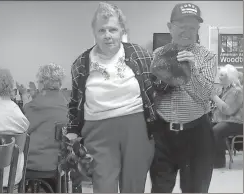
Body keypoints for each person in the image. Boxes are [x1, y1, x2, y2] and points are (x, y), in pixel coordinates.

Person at [66, 2, 172, 193]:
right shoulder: (81, 64)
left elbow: (160, 85)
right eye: (102, 30)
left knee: (133, 186)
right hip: (97, 132)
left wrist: (173, 67)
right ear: (94, 32)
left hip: (136, 129)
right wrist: (73, 131)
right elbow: (75, 102)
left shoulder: (139, 54)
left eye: (113, 29)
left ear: (122, 30)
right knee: (103, 186)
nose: (107, 35)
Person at [149, 3, 217, 193]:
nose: (187, 32)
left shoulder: (207, 57)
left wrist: (191, 69)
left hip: (197, 134)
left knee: (195, 189)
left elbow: (204, 95)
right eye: (181, 26)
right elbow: (152, 91)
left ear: (198, 30)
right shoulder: (158, 54)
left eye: (192, 27)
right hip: (163, 133)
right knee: (160, 188)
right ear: (170, 27)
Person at [19, 63, 68, 192]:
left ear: (41, 83)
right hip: (59, 162)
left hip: (35, 163)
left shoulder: (35, 106)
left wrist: (24, 97)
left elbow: (24, 129)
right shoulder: (65, 103)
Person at [211, 64, 243, 168]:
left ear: (229, 77)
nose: (219, 77)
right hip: (225, 120)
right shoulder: (223, 90)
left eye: (222, 75)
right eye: (219, 75)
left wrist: (215, 98)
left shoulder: (236, 91)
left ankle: (218, 162)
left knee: (216, 131)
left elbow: (229, 110)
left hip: (237, 122)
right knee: (201, 127)